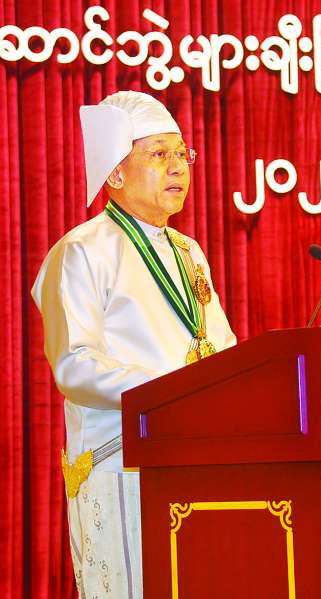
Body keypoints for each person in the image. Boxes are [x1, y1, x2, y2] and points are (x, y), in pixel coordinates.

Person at [32, 90, 238, 597]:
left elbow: (223, 348)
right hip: (123, 461)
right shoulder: (82, 251)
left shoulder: (190, 252)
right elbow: (75, 366)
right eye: (159, 153)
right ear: (116, 174)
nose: (178, 166)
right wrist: (173, 392)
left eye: (182, 153)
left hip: (200, 455)